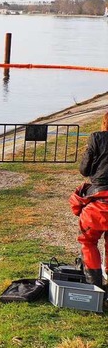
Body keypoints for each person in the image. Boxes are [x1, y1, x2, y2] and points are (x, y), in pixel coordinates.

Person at [70, 111, 108, 290]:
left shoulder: (96, 138)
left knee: (88, 241)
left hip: (99, 200)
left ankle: (95, 286)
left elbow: (84, 169)